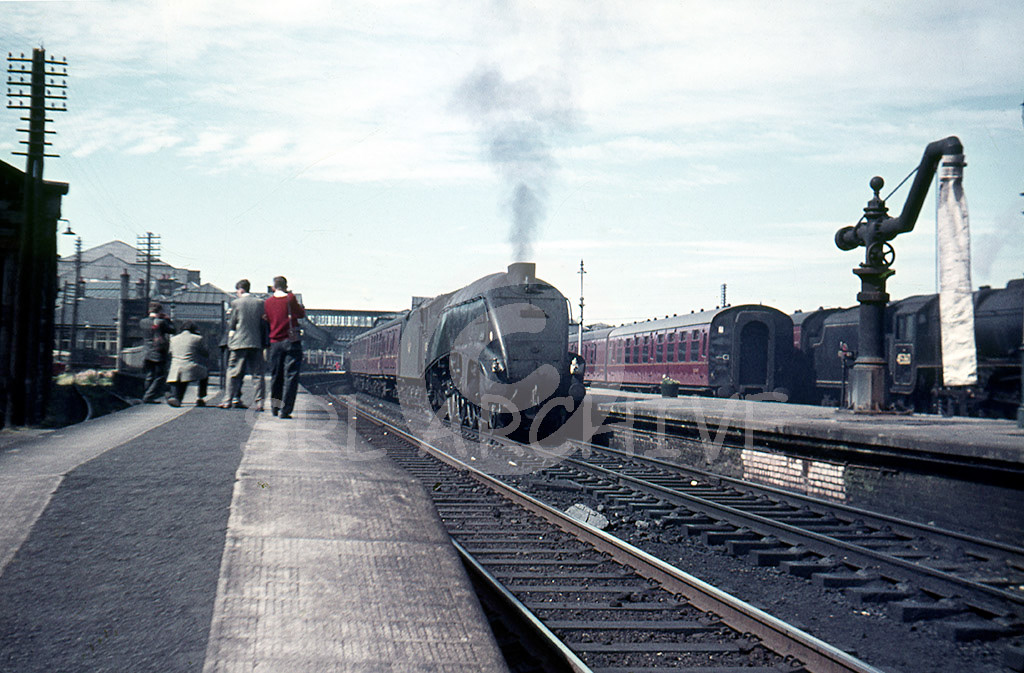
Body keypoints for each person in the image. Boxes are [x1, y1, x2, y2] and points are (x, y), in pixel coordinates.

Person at [222, 279, 267, 410]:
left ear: (240, 290)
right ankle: (260, 403)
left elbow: (232, 324)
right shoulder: (260, 303)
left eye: (237, 291)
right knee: (258, 375)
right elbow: (263, 323)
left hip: (238, 343)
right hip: (255, 343)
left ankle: (227, 400)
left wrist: (230, 342)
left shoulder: (236, 303)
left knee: (232, 372)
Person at [264, 275, 305, 419]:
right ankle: (285, 410)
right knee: (291, 375)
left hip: (275, 342)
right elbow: (301, 314)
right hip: (291, 341)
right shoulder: (291, 298)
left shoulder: (268, 302)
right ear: (286, 286)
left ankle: (275, 407)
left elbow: (268, 319)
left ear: (273, 287)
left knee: (276, 375)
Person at [165, 321, 210, 407]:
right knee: (204, 373)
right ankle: (200, 397)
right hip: (190, 366)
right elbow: (205, 353)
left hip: (175, 367)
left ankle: (175, 397)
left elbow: (170, 352)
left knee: (179, 379)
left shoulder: (173, 339)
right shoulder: (197, 338)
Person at [139, 301, 174, 403]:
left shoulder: (143, 322)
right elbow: (172, 330)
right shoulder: (161, 322)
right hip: (158, 352)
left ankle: (147, 395)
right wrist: (168, 319)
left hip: (146, 351)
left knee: (149, 375)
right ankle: (148, 396)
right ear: (160, 311)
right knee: (160, 376)